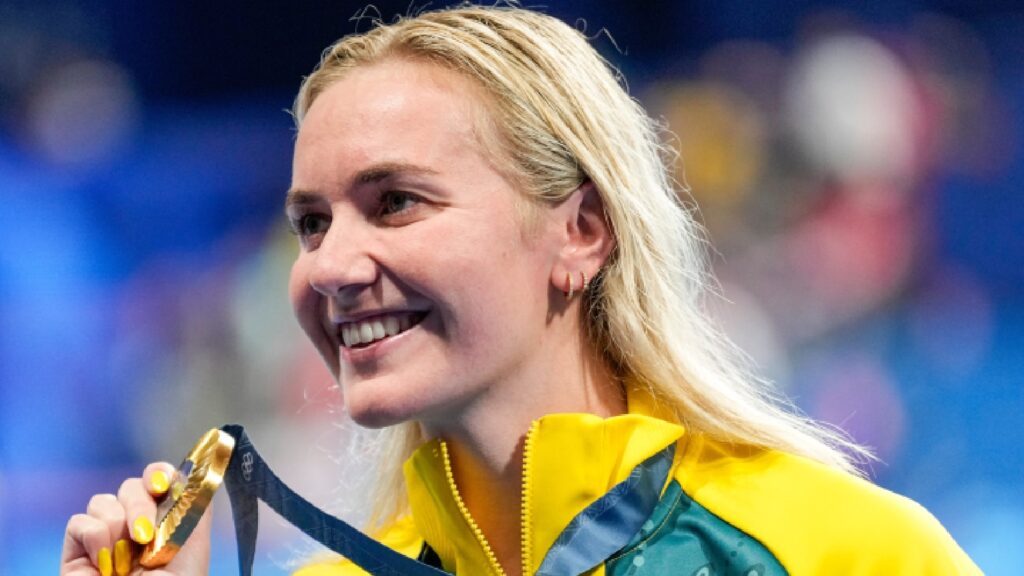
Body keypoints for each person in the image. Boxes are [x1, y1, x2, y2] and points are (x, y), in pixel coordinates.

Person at [62, 5, 981, 576]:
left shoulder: (845, 556)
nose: (331, 266)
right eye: (312, 222)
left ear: (581, 231)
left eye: (396, 202)